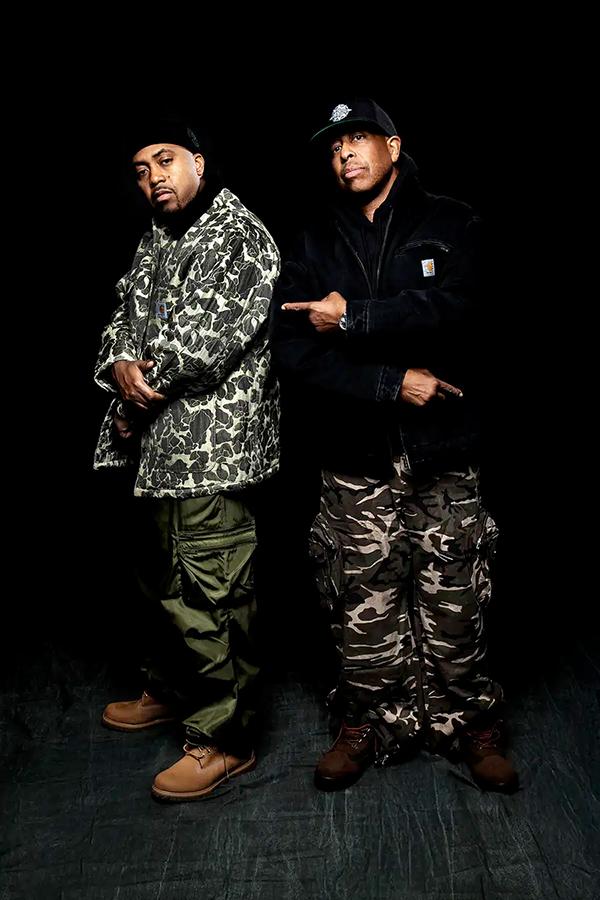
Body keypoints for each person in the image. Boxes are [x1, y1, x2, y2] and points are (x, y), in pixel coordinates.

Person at [269, 99, 517, 793]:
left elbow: (467, 312)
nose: (345, 153)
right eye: (334, 146)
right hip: (354, 456)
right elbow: (293, 350)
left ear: (394, 146)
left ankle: (471, 723)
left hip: (444, 450)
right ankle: (369, 723)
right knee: (360, 595)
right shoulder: (313, 242)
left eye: (358, 138)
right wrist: (389, 382)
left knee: (456, 591)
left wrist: (355, 318)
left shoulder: (453, 223)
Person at [94, 119, 280, 802]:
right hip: (156, 454)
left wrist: (134, 390)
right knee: (161, 586)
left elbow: (200, 345)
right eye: (141, 169)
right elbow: (123, 314)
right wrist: (119, 361)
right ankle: (173, 693)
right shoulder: (156, 238)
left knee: (213, 597)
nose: (154, 178)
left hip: (212, 453)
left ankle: (225, 739)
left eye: (165, 160)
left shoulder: (239, 236)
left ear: (198, 163)